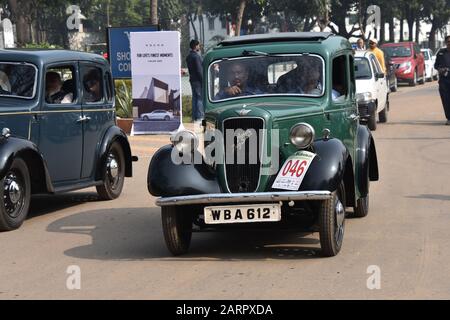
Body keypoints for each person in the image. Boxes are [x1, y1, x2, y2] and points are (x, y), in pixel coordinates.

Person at [186, 39, 204, 122]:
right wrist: (202, 80)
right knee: (200, 98)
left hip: (192, 80)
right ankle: (200, 117)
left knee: (195, 98)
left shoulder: (189, 56)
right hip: (197, 80)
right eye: (198, 45)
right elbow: (199, 70)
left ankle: (194, 117)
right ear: (195, 46)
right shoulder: (196, 56)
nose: (199, 47)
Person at [434, 35, 450, 125]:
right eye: (448, 42)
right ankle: (449, 118)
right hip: (444, 80)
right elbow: (436, 65)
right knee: (446, 99)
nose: (449, 43)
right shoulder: (441, 53)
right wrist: (440, 69)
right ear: (445, 43)